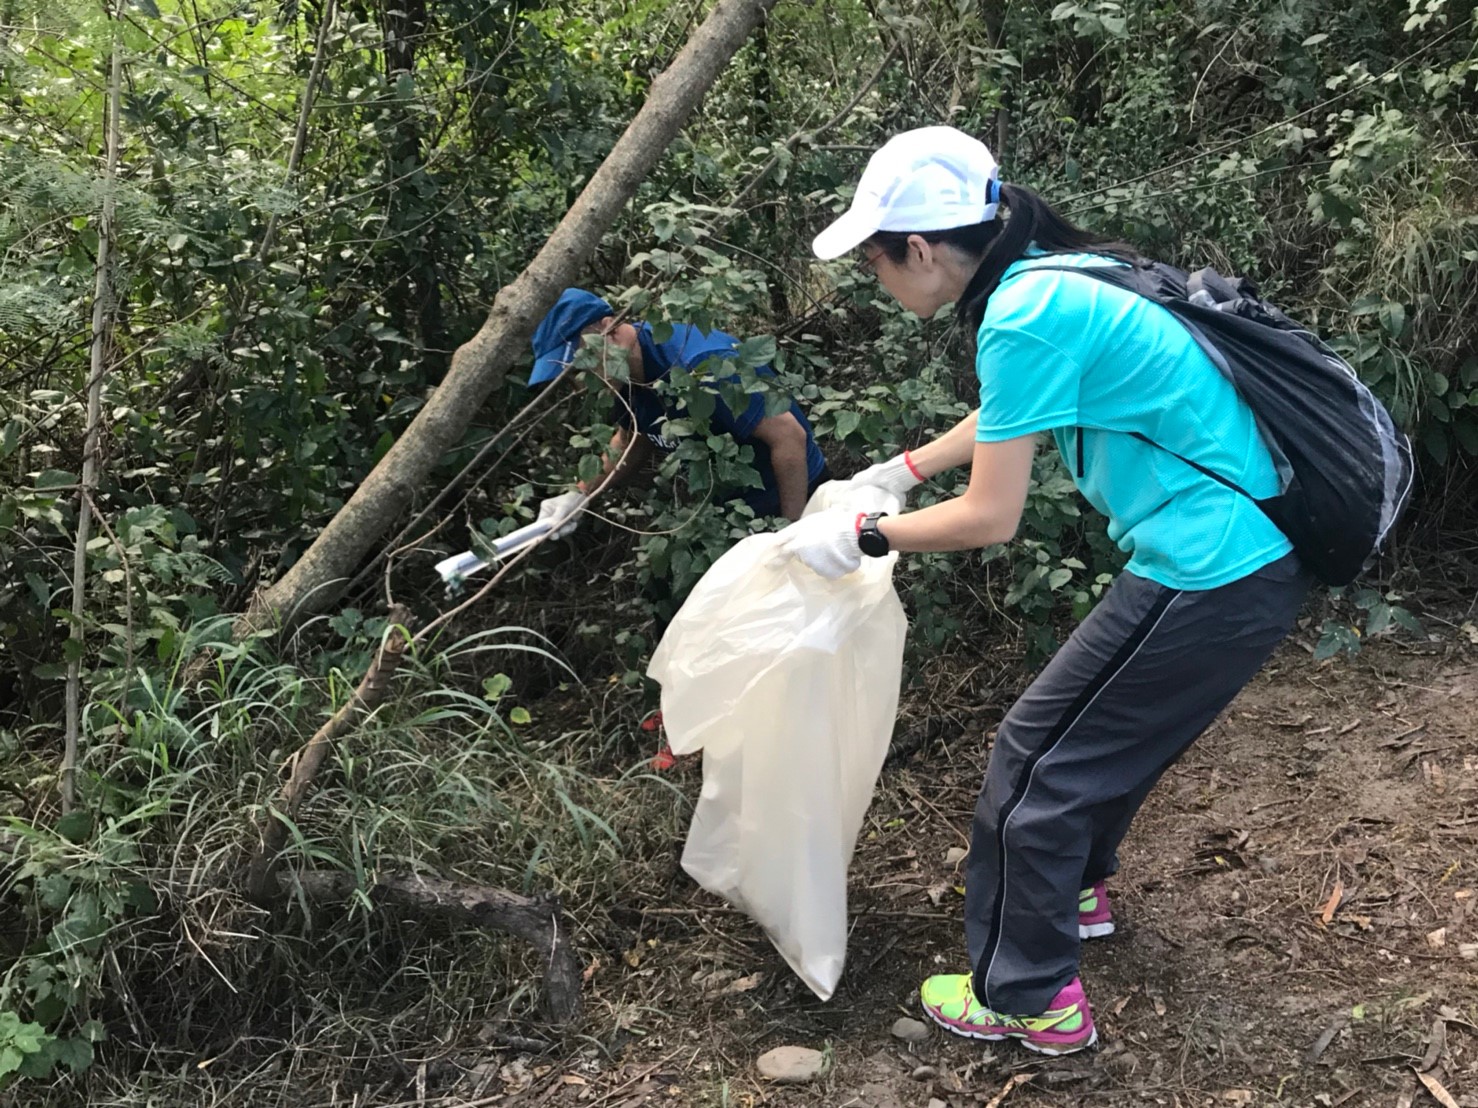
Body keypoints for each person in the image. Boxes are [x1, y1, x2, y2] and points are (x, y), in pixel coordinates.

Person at [777, 126, 1311, 1055]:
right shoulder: (1054, 278)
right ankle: (1075, 897)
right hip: (1244, 553)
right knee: (1092, 742)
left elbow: (991, 517)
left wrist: (861, 536)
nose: (876, 279)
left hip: (1212, 566)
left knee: (1036, 759)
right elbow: (1013, 411)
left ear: (919, 250)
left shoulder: (1023, 312)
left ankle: (1029, 995)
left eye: (874, 261)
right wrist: (903, 470)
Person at [527, 288, 829, 536]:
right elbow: (631, 439)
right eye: (570, 376)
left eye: (581, 365)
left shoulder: (700, 365)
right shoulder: (621, 374)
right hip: (735, 511)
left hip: (794, 495)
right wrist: (579, 495)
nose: (580, 385)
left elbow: (789, 437)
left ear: (610, 329)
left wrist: (792, 532)